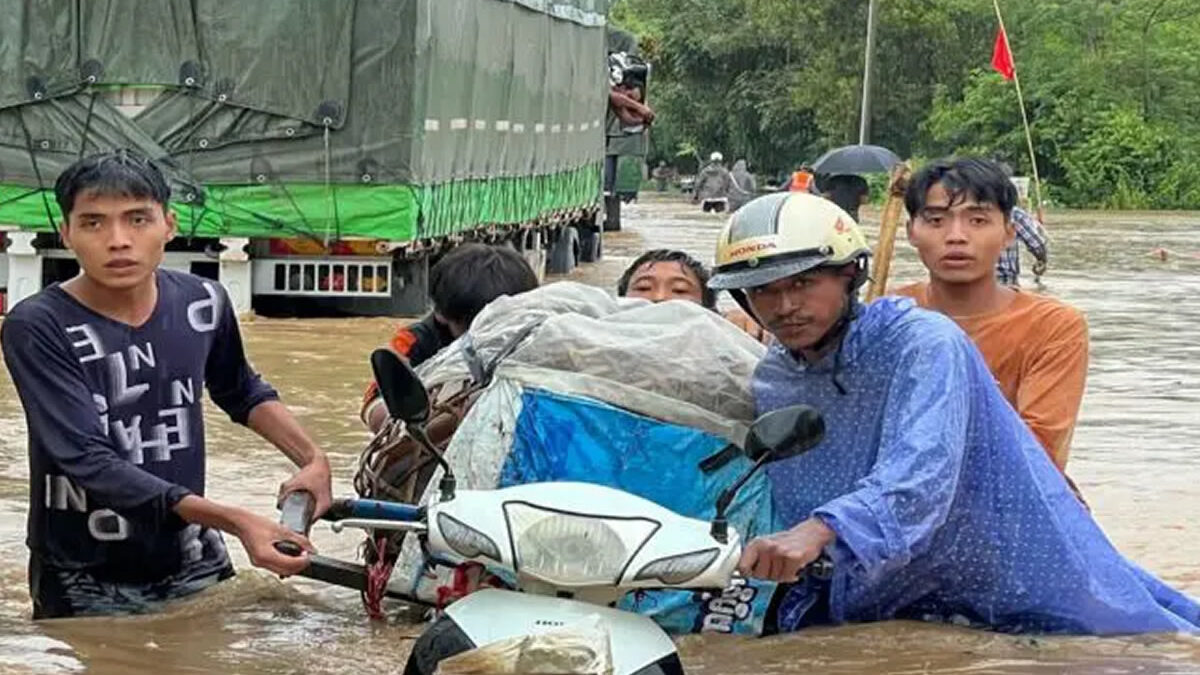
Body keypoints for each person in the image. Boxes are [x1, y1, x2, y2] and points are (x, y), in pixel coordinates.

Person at [706, 191, 1200, 635]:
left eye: (805, 282)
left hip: (1007, 577)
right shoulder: (773, 374)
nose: (786, 305)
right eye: (764, 290)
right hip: (879, 594)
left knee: (1144, 642)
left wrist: (819, 530)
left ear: (849, 274)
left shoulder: (923, 342)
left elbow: (923, 472)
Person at [0, 150, 332, 619]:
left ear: (169, 225)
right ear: (66, 234)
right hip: (83, 572)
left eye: (138, 219)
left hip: (191, 553)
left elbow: (240, 388)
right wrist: (236, 521)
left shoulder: (203, 302)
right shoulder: (37, 326)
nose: (118, 241)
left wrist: (313, 459)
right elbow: (87, 460)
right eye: (94, 223)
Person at [895, 158, 1087, 472]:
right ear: (911, 232)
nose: (956, 236)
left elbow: (1040, 450)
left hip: (1012, 499)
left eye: (978, 220)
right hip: (896, 496)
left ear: (1009, 233)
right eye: (936, 220)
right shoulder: (891, 314)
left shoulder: (1053, 326)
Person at [360, 243, 538, 433]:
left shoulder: (539, 337)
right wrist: (401, 420)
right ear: (441, 314)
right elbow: (373, 402)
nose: (485, 336)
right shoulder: (414, 341)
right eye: (473, 325)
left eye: (495, 324)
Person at [617, 249, 767, 342]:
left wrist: (750, 322)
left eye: (679, 290)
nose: (659, 297)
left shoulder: (723, 339)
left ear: (707, 307)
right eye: (643, 288)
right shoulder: (599, 331)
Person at [998, 205, 1049, 286]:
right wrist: (1042, 262)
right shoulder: (1014, 213)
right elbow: (1038, 246)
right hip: (1006, 282)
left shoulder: (972, 211)